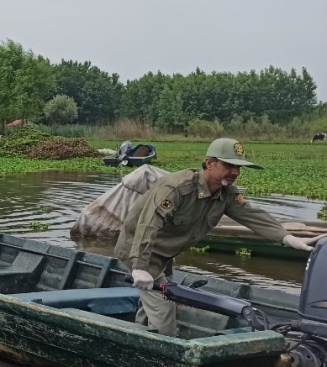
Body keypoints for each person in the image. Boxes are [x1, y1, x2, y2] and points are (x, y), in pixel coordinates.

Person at [115, 137, 323, 336]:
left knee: (154, 300)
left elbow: (252, 216)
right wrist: (140, 267)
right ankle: (160, 355)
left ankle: (138, 334)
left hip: (164, 254)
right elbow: (149, 223)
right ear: (209, 163)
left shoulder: (227, 194)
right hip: (140, 249)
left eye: (238, 167)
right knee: (164, 309)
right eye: (229, 165)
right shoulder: (177, 188)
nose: (235, 172)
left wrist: (289, 238)